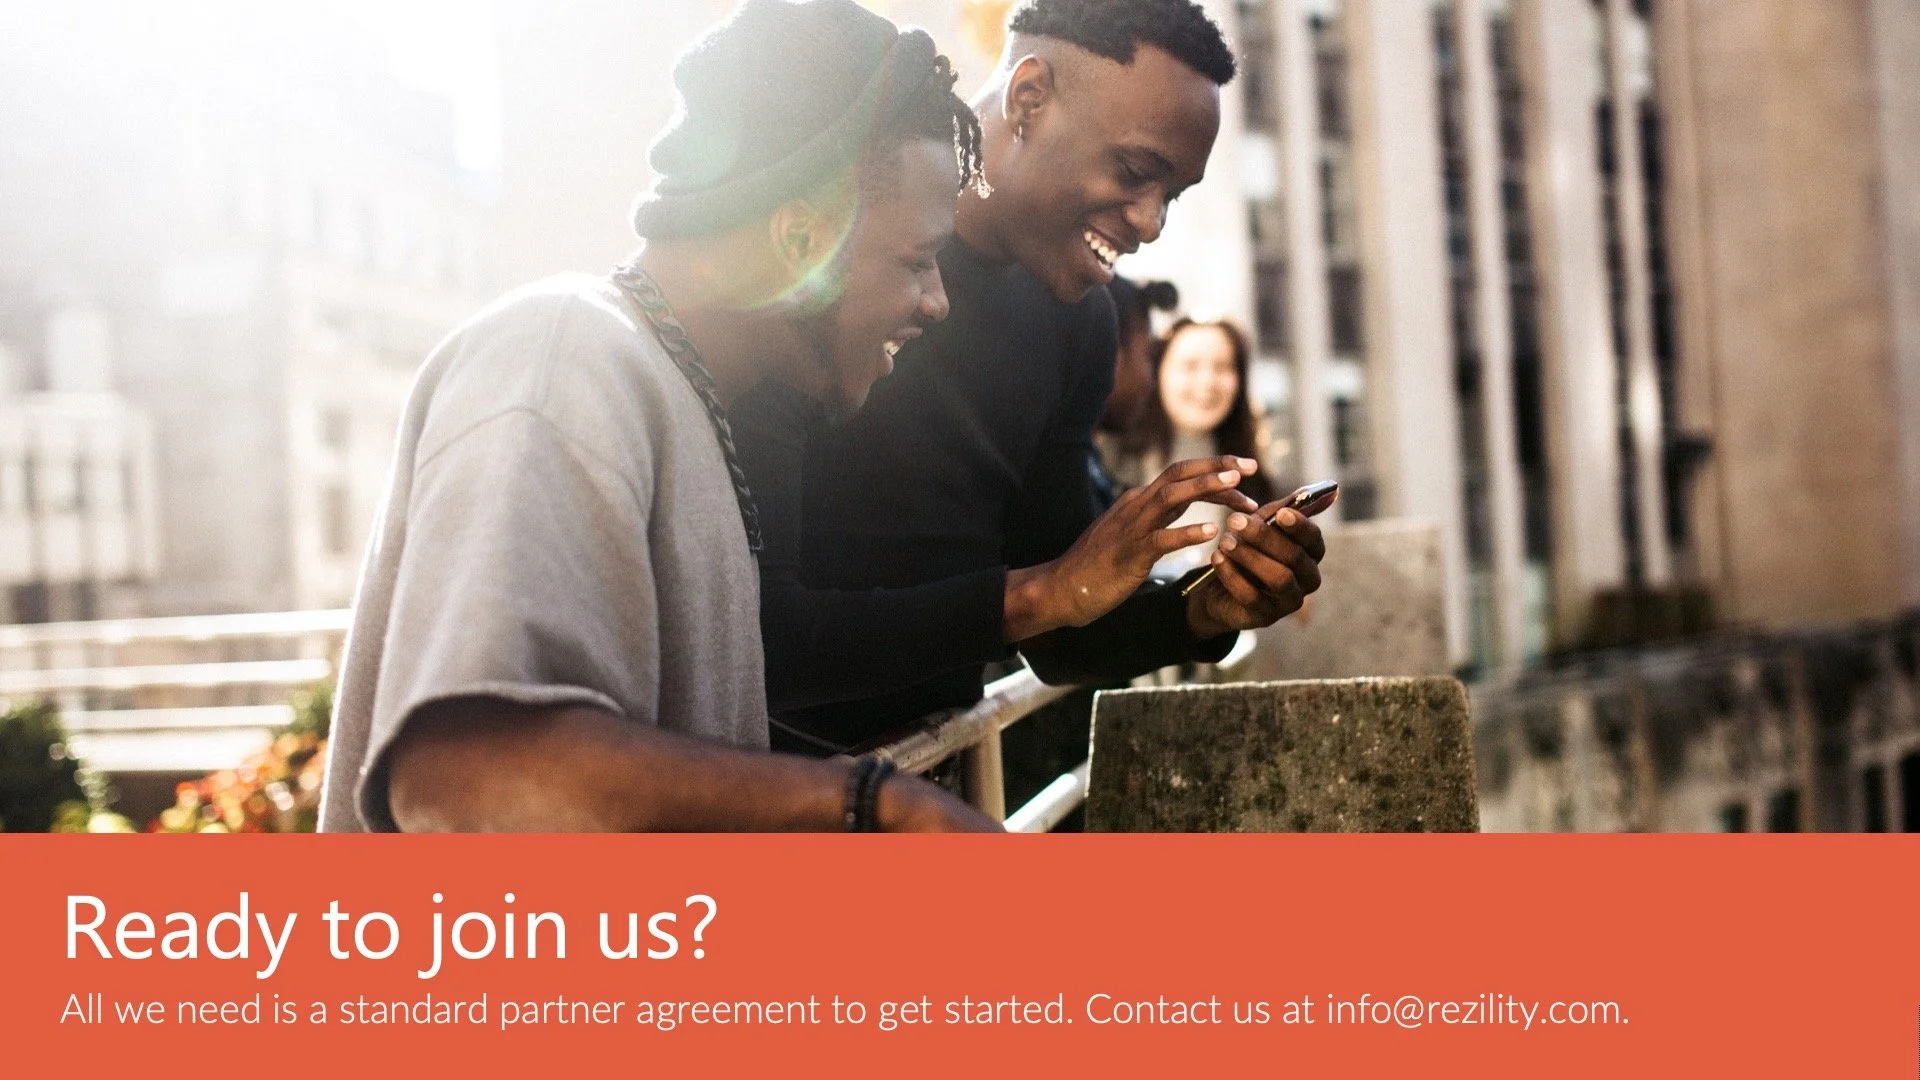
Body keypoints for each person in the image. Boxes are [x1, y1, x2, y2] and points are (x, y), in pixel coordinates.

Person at [317, 0, 1001, 833]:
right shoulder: (563, 356)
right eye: (919, 260)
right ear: (800, 242)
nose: (937, 302)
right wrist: (869, 805)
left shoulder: (686, 402)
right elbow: (464, 778)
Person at [732, 0, 1328, 759]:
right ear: (1029, 98)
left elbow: (1060, 629)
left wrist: (1206, 609)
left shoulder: (1078, 321)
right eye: (1136, 172)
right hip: (753, 791)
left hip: (937, 777)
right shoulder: (821, 245)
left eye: (1172, 195)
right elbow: (755, 639)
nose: (1152, 224)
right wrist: (1045, 594)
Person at [1120, 317, 1277, 580]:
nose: (1207, 382)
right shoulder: (1112, 460)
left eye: (1223, 367)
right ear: (1156, 370)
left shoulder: (1252, 473)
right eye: (1190, 366)